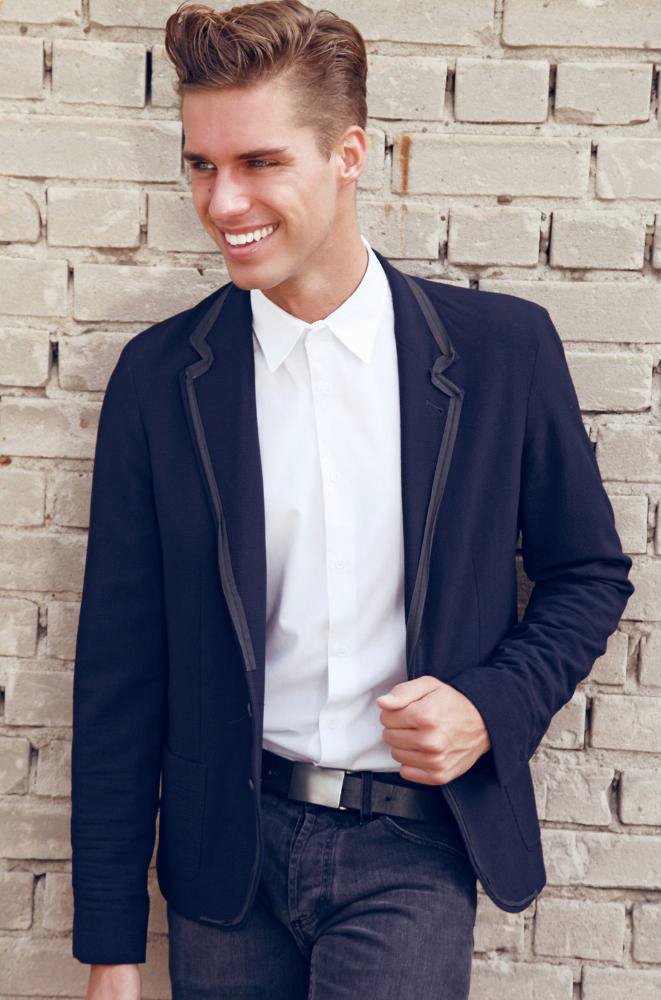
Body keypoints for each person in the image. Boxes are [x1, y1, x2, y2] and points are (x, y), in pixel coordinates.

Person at [70, 1, 635, 997]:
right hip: (224, 856)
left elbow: (585, 573)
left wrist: (489, 704)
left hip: (410, 844)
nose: (222, 201)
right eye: (201, 165)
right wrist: (111, 947)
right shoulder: (160, 381)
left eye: (259, 162)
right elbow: (120, 668)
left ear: (349, 155)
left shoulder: (501, 353)